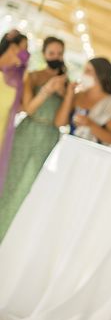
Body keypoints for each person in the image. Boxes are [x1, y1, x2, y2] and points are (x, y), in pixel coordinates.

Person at [0, 37, 67, 242]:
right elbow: (28, 108)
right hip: (26, 131)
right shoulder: (32, 76)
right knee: (10, 181)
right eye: (51, 53)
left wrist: (66, 91)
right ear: (44, 55)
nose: (55, 57)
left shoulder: (66, 83)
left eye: (59, 53)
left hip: (47, 137)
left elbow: (61, 121)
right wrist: (48, 89)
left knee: (30, 187)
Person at [55, 57, 111, 144]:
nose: (84, 74)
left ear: (101, 75)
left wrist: (90, 124)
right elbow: (59, 123)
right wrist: (69, 95)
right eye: (84, 70)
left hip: (92, 153)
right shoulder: (77, 96)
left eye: (88, 71)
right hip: (70, 146)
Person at [0, 30, 29, 186]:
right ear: (12, 47)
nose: (26, 55)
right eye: (23, 49)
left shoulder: (18, 80)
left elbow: (23, 107)